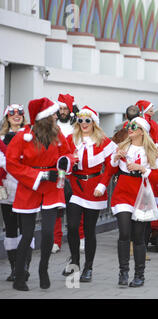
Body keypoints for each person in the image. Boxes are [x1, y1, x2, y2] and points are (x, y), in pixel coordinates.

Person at [6, 97, 75, 291]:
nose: (56, 116)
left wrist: (63, 164)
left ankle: (43, 269)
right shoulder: (23, 136)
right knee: (27, 235)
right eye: (53, 113)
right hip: (30, 187)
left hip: (52, 188)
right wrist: (40, 175)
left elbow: (68, 154)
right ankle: (20, 276)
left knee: (47, 233)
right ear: (44, 117)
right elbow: (12, 163)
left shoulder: (57, 133)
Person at [61, 106, 117, 282]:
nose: (84, 123)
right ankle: (75, 261)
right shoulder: (70, 139)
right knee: (71, 226)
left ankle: (88, 267)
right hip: (75, 186)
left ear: (94, 122)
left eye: (87, 120)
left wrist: (103, 184)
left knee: (89, 229)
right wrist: (70, 162)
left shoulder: (103, 141)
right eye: (81, 120)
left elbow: (111, 165)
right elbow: (61, 160)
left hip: (94, 188)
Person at [110, 117, 158, 287]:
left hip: (142, 195)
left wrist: (143, 169)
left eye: (134, 126)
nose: (130, 128)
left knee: (139, 237)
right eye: (129, 126)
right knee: (124, 233)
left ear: (142, 131)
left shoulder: (152, 150)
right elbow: (111, 169)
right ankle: (123, 272)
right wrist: (116, 158)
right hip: (123, 193)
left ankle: (139, 274)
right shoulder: (122, 147)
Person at [0, 104, 32, 283]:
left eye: (20, 113)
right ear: (7, 117)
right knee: (11, 230)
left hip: (26, 189)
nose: (16, 116)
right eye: (12, 113)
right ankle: (14, 269)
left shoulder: (29, 136)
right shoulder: (1, 139)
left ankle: (24, 267)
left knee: (26, 230)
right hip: (6, 190)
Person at [53, 93, 84, 255]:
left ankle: (81, 238)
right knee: (56, 208)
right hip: (56, 172)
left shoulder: (77, 126)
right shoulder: (52, 125)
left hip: (74, 172)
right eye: (60, 109)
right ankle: (55, 241)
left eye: (65, 108)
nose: (63, 111)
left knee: (77, 206)